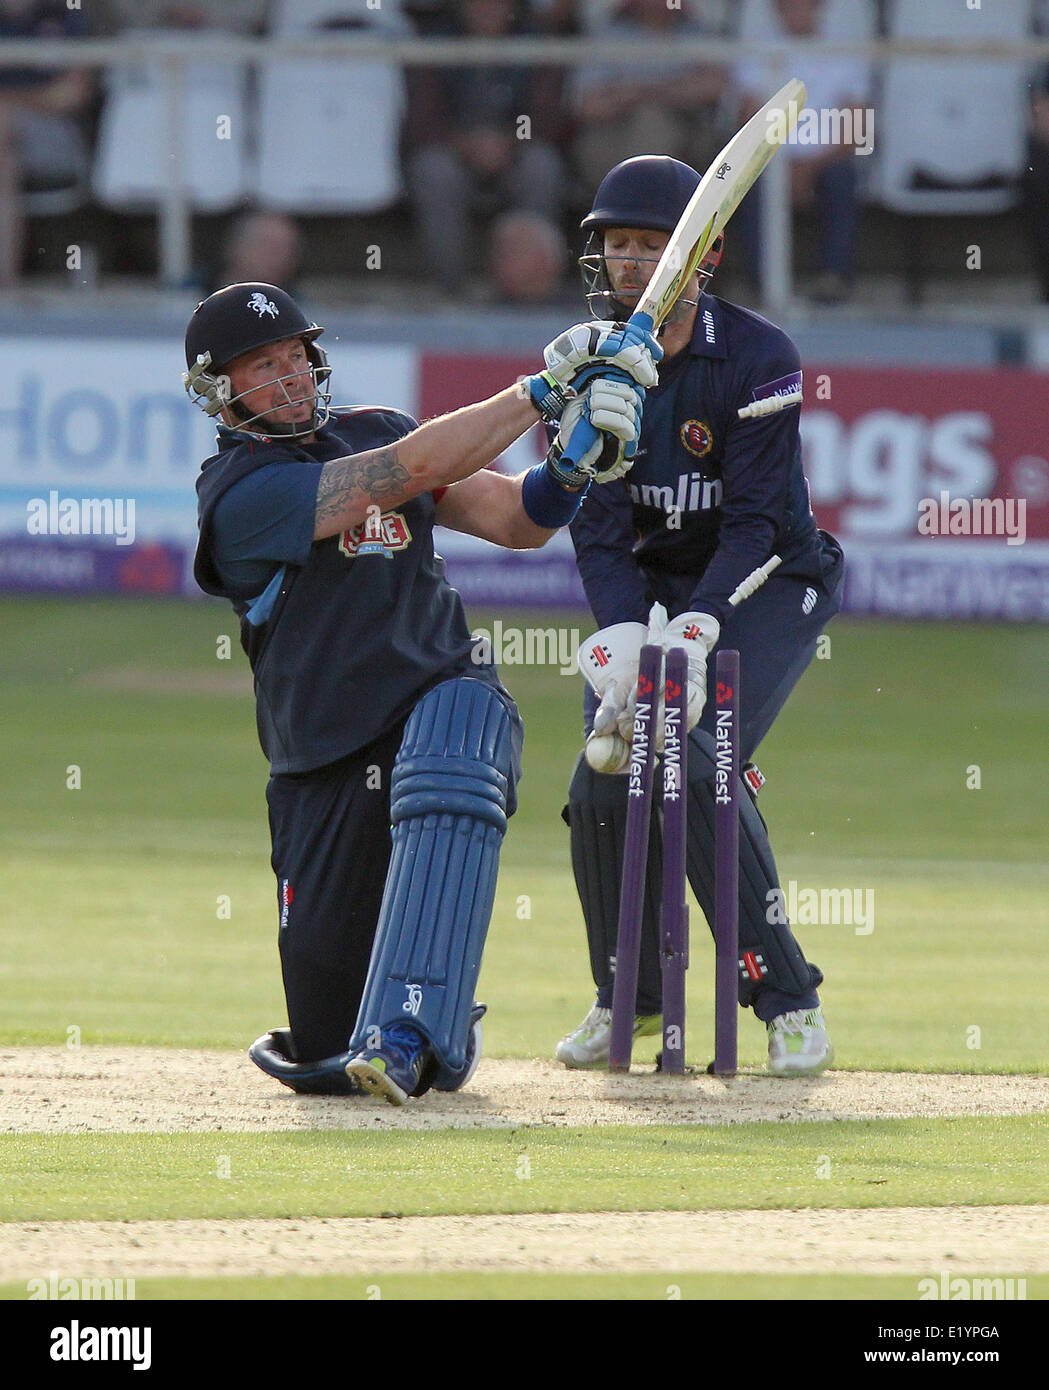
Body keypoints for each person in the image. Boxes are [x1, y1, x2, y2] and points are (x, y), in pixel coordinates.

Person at [184, 281, 659, 1104]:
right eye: (263, 365)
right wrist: (539, 392)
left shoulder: (374, 428)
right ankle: (414, 1025)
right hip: (322, 757)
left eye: (296, 354)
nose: (290, 376)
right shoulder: (239, 494)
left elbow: (519, 522)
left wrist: (574, 462)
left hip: (436, 697)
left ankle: (416, 1021)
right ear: (219, 392)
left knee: (460, 727)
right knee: (335, 1056)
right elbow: (409, 471)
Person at [556, 156, 845, 1076]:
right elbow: (598, 524)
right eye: (618, 246)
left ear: (700, 252)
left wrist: (694, 628)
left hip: (770, 579)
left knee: (698, 748)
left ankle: (786, 999)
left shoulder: (758, 357)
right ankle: (628, 996)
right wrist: (617, 639)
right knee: (604, 772)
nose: (633, 264)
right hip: (659, 590)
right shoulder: (591, 366)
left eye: (653, 245)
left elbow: (757, 523)